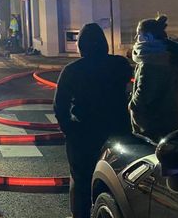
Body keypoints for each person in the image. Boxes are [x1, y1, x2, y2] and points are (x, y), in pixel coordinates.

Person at [53, 23, 132, 218]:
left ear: (81, 46)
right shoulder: (120, 64)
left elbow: (59, 105)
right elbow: (130, 89)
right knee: (117, 181)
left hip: (83, 134)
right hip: (117, 132)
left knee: (81, 182)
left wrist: (69, 129)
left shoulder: (72, 71)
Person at [129, 15, 178, 142]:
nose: (136, 38)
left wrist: (132, 105)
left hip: (152, 124)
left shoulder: (151, 60)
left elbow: (144, 94)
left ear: (148, 36)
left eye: (139, 34)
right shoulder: (168, 54)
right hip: (170, 118)